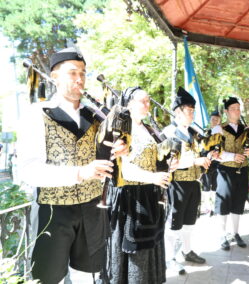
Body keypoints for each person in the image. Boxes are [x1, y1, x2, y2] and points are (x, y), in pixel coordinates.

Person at [18, 47, 128, 284]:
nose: (80, 79)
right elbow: (28, 169)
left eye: (83, 73)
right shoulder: (37, 114)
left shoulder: (96, 116)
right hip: (52, 210)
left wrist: (121, 149)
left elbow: (111, 151)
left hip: (92, 208)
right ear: (54, 76)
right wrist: (80, 172)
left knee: (88, 276)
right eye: (72, 73)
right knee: (48, 278)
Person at [106, 87, 175, 283]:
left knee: (150, 249)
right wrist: (152, 178)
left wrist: (169, 165)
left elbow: (156, 161)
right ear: (129, 104)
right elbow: (124, 169)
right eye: (142, 101)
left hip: (149, 195)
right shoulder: (121, 130)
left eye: (148, 101)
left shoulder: (149, 129)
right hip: (130, 197)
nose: (147, 105)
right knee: (136, 253)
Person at [162, 87, 211, 274]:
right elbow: (169, 161)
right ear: (178, 112)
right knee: (174, 222)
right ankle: (169, 258)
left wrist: (207, 158)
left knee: (190, 221)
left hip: (193, 182)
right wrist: (195, 160)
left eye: (193, 111)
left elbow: (197, 154)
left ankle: (187, 251)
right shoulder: (169, 132)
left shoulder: (192, 133)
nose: (192, 114)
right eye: (189, 111)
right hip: (176, 184)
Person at [211, 97, 249, 251]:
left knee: (238, 202)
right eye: (234, 108)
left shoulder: (246, 129)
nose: (237, 111)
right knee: (224, 202)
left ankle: (236, 233)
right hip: (226, 170)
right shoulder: (218, 129)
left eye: (238, 108)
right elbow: (213, 152)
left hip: (243, 170)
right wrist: (231, 156)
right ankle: (222, 235)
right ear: (226, 111)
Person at [201, 109, 221, 217]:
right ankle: (207, 208)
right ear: (210, 120)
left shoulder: (222, 134)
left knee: (215, 187)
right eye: (213, 119)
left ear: (219, 121)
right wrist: (209, 153)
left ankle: (214, 208)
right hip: (207, 164)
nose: (214, 121)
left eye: (216, 119)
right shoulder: (206, 133)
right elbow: (202, 149)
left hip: (218, 164)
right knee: (206, 187)